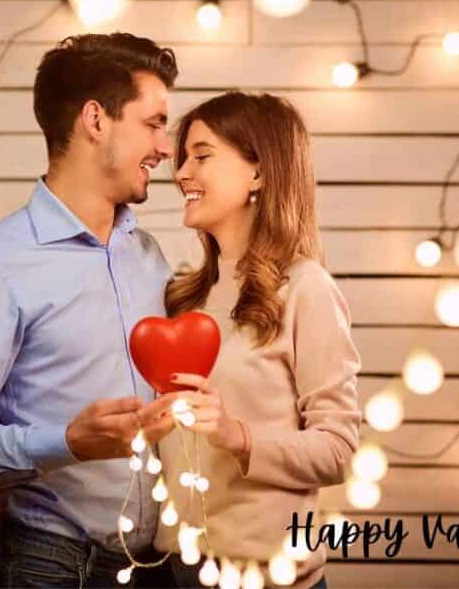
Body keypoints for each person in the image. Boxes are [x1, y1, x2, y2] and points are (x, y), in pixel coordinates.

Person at [0, 32, 186, 588]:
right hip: (49, 568)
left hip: (157, 569)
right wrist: (66, 444)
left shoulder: (149, 256)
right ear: (96, 120)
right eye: (154, 122)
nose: (166, 148)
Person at [152, 92, 362, 589]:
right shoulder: (184, 297)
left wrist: (238, 437)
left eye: (201, 156)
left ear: (260, 174)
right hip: (174, 569)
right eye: (183, 159)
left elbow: (338, 449)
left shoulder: (306, 289)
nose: (181, 173)